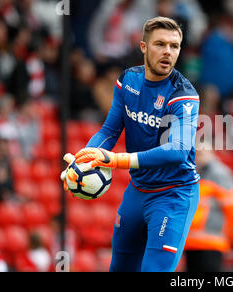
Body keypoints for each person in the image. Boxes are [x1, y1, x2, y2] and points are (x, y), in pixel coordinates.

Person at [61, 17, 200, 272]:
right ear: (144, 47)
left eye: (175, 46)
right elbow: (110, 130)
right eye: (160, 44)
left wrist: (116, 160)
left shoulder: (184, 95)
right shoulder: (128, 80)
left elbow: (178, 150)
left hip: (173, 195)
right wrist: (82, 160)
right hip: (138, 191)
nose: (168, 52)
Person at [184, 145, 233, 272]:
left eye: (201, 152)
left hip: (212, 241)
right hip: (190, 242)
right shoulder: (191, 173)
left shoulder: (220, 174)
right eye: (196, 152)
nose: (197, 156)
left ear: (211, 153)